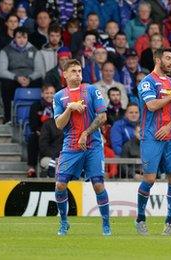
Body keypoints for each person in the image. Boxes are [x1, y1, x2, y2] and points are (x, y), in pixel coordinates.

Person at [52, 59, 111, 236]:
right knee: (60, 184)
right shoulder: (59, 97)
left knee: (98, 185)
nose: (78, 74)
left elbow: (103, 117)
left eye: (79, 71)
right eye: (74, 71)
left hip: (92, 145)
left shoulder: (92, 90)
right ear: (65, 75)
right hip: (71, 146)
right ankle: (64, 222)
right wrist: (69, 108)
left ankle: (106, 224)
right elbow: (59, 125)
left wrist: (86, 132)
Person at [134, 48, 171, 236]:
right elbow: (152, 105)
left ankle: (169, 222)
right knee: (149, 179)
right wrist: (170, 96)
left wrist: (169, 126)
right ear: (157, 59)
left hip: (169, 137)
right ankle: (140, 219)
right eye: (168, 58)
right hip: (151, 137)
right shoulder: (147, 82)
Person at [26, 84, 54, 177]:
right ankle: (32, 167)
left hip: (56, 135)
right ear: (42, 94)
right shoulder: (35, 106)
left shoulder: (59, 106)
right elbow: (33, 123)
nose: (49, 95)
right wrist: (42, 133)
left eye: (51, 93)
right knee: (32, 138)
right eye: (47, 93)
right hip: (40, 134)